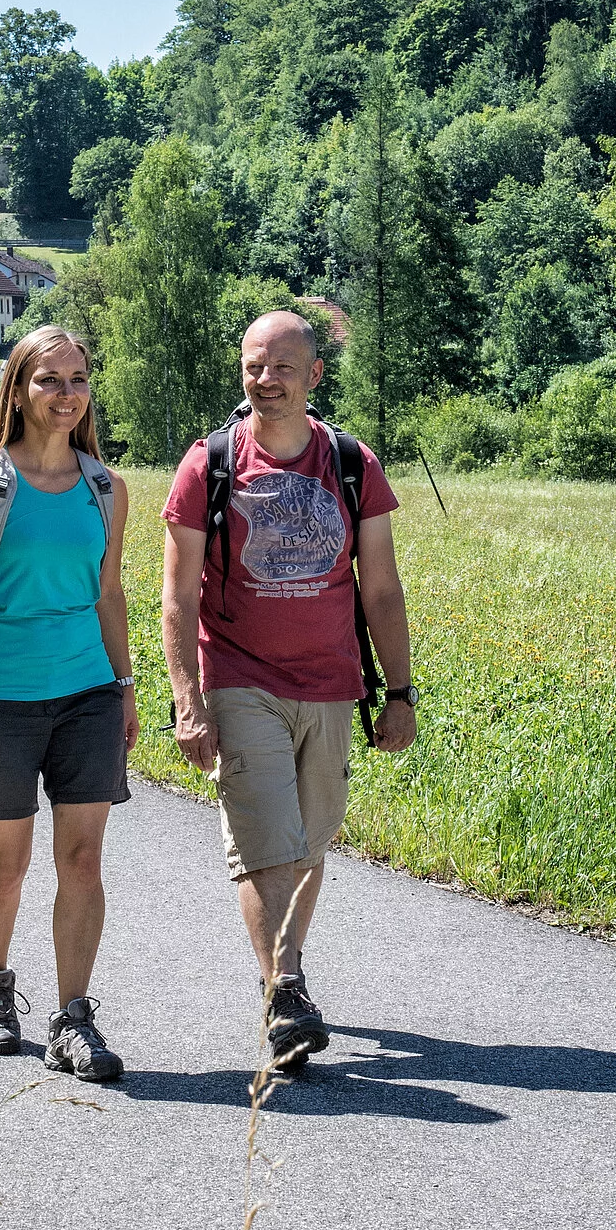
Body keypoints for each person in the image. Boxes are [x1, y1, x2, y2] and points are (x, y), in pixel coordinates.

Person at [161, 310, 416, 1070]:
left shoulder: (349, 461)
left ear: (314, 375)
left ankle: (286, 989)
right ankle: (286, 987)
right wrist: (187, 697)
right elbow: (177, 596)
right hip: (241, 678)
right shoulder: (208, 464)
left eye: (280, 367)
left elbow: (382, 590)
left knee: (308, 840)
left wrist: (398, 692)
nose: (264, 380)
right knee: (267, 837)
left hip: (332, 682)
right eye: (252, 366)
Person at [0, 326, 137, 1082]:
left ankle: (72, 1018)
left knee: (83, 860)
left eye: (78, 378)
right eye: (49, 379)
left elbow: (109, 593)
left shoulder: (105, 488)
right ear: (18, 390)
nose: (66, 393)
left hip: (85, 691)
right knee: (8, 864)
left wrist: (124, 687)